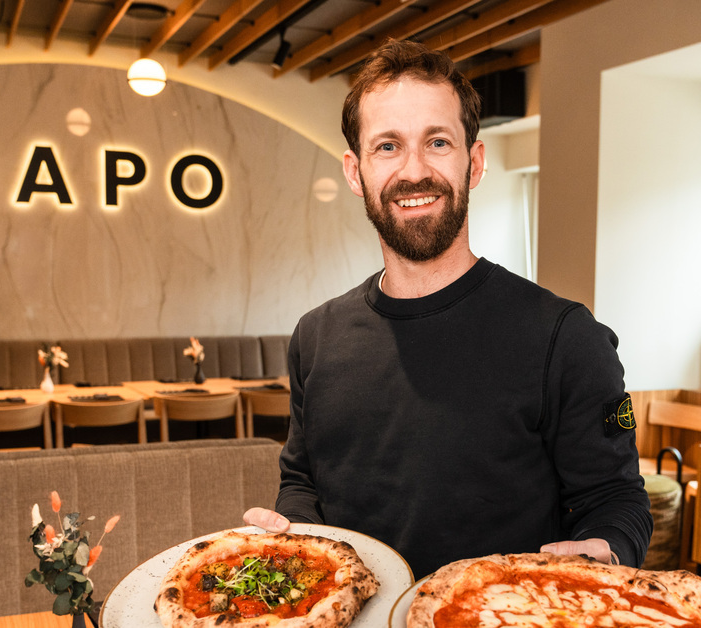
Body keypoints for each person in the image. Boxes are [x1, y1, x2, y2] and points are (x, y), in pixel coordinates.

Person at [244, 39, 652, 577]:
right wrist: (293, 531)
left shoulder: (565, 337)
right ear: (355, 172)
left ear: (473, 162)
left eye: (437, 142)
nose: (414, 170)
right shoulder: (316, 337)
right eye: (387, 146)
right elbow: (302, 483)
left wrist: (607, 547)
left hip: (495, 610)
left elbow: (616, 500)